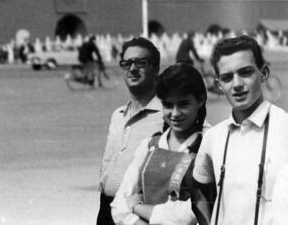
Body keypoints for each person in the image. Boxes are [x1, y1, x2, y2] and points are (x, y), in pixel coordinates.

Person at [192, 35, 288, 225]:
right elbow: (199, 189)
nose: (236, 84)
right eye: (227, 77)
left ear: (264, 73)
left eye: (245, 72)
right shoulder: (213, 136)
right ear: (219, 85)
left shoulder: (284, 127)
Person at [111, 63, 208, 225]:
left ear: (200, 100)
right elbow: (119, 203)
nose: (175, 113)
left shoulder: (209, 144)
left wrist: (137, 207)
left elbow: (193, 213)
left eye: (183, 104)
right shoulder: (149, 145)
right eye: (168, 105)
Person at [97, 37, 164, 225]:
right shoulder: (118, 115)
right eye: (127, 64)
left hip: (137, 212)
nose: (132, 69)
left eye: (141, 63)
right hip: (105, 209)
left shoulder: (168, 116)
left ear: (156, 69)